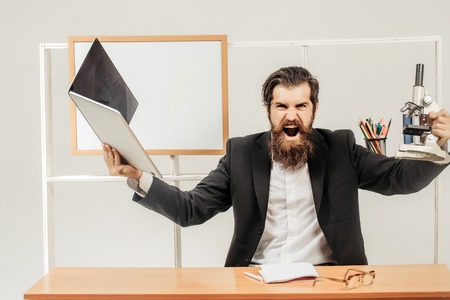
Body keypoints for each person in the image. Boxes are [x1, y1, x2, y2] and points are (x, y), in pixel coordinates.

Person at [103, 66, 450, 267]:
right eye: (281, 105)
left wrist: (443, 144)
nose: (291, 115)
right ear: (268, 110)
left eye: (301, 105)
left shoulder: (341, 148)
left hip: (328, 277)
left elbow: (400, 179)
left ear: (314, 110)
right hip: (255, 277)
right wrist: (137, 177)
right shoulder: (241, 154)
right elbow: (192, 210)